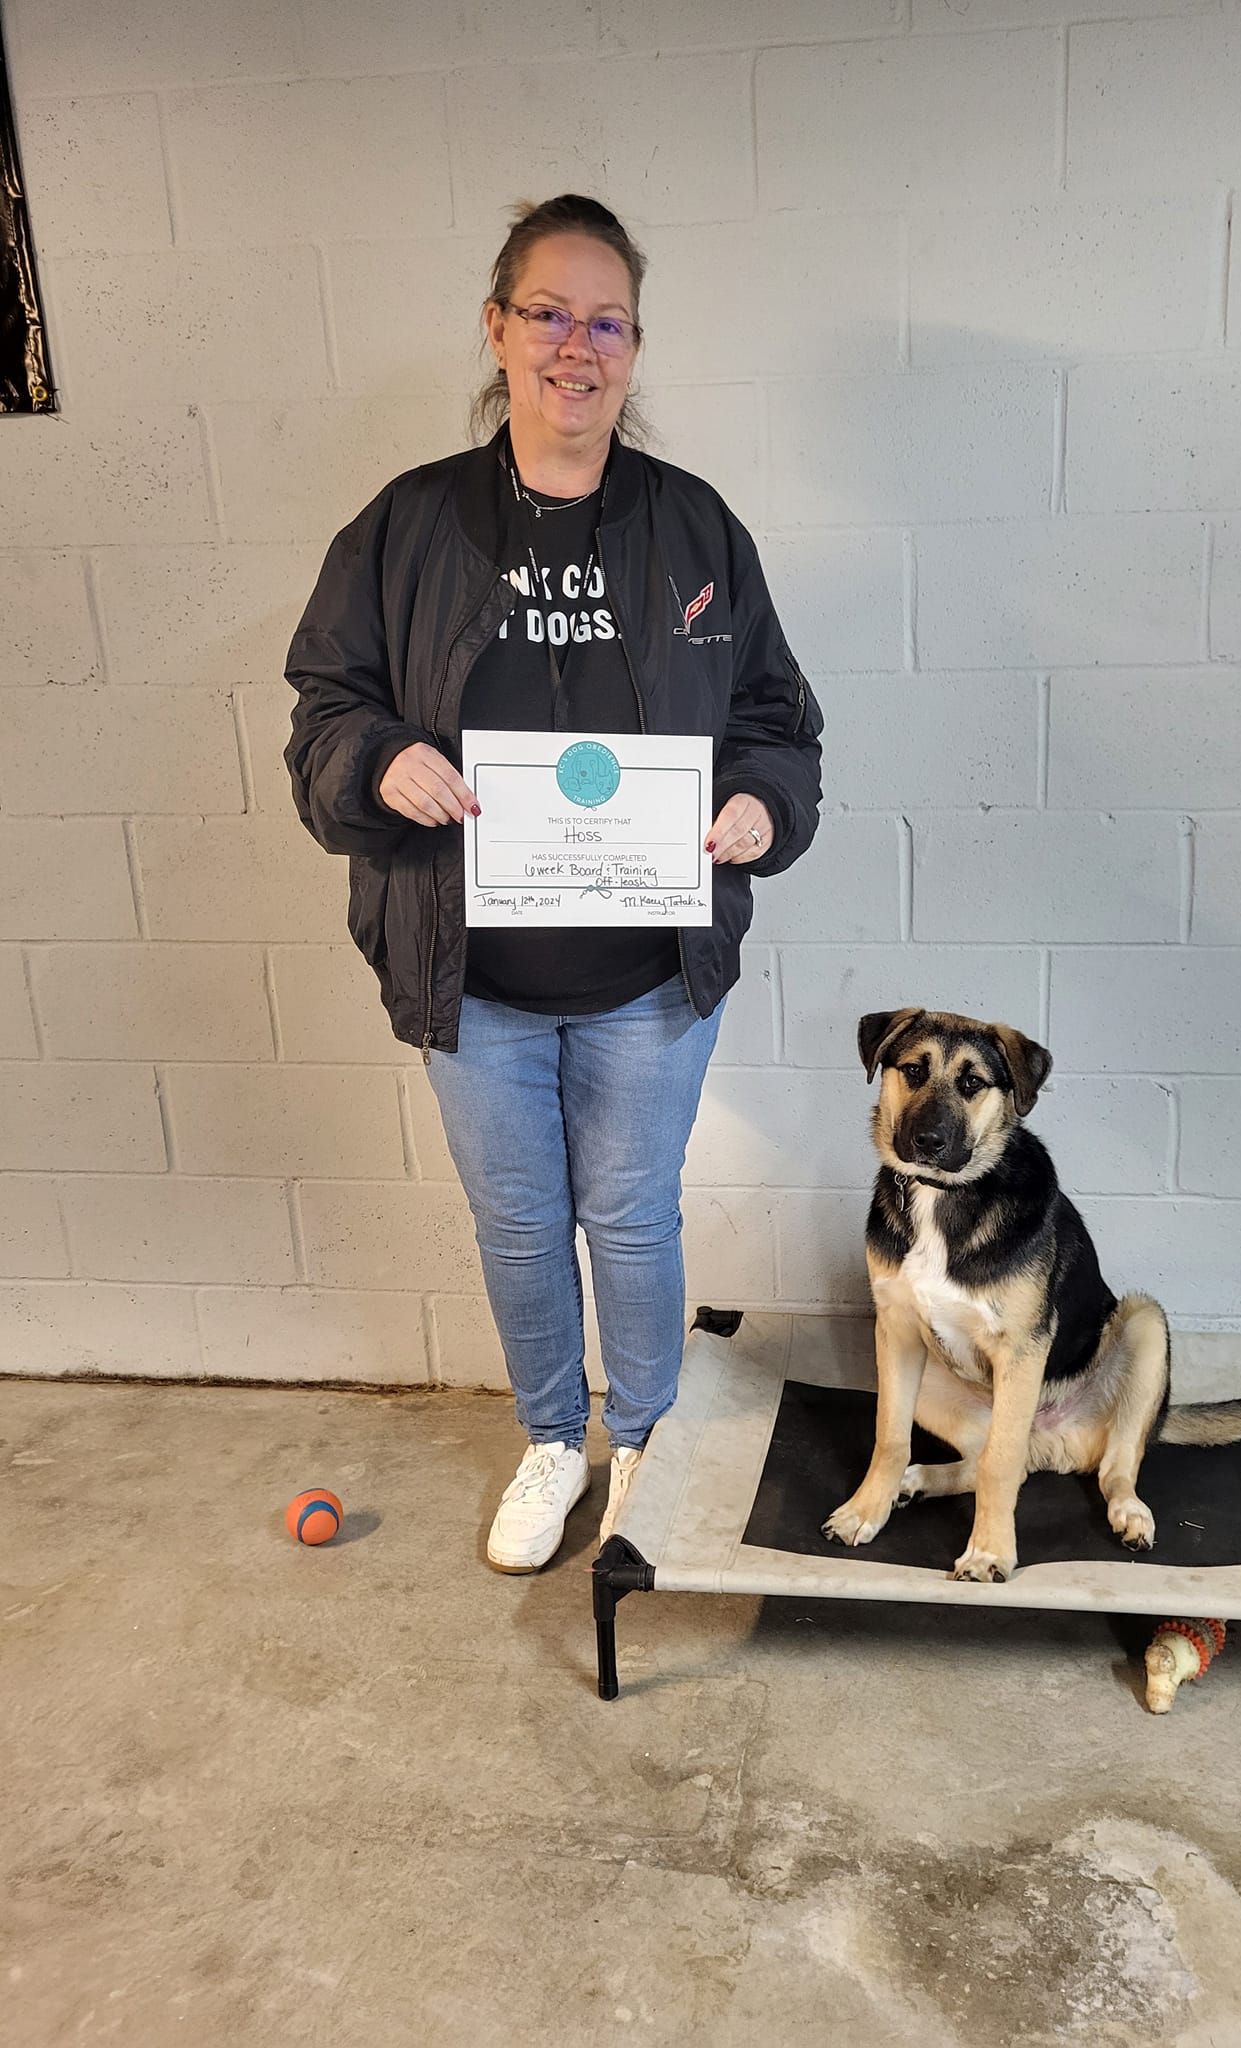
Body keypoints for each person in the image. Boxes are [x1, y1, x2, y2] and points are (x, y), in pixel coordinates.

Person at [285, 194, 823, 1572]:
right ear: (498, 326)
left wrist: (763, 803)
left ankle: (639, 1434)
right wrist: (376, 759)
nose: (575, 346)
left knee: (629, 1212)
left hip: (650, 975)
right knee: (520, 1220)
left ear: (633, 346)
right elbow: (324, 713)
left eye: (607, 321)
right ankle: (548, 1442)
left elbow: (775, 716)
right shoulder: (408, 528)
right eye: (549, 313)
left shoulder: (694, 528)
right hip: (476, 983)